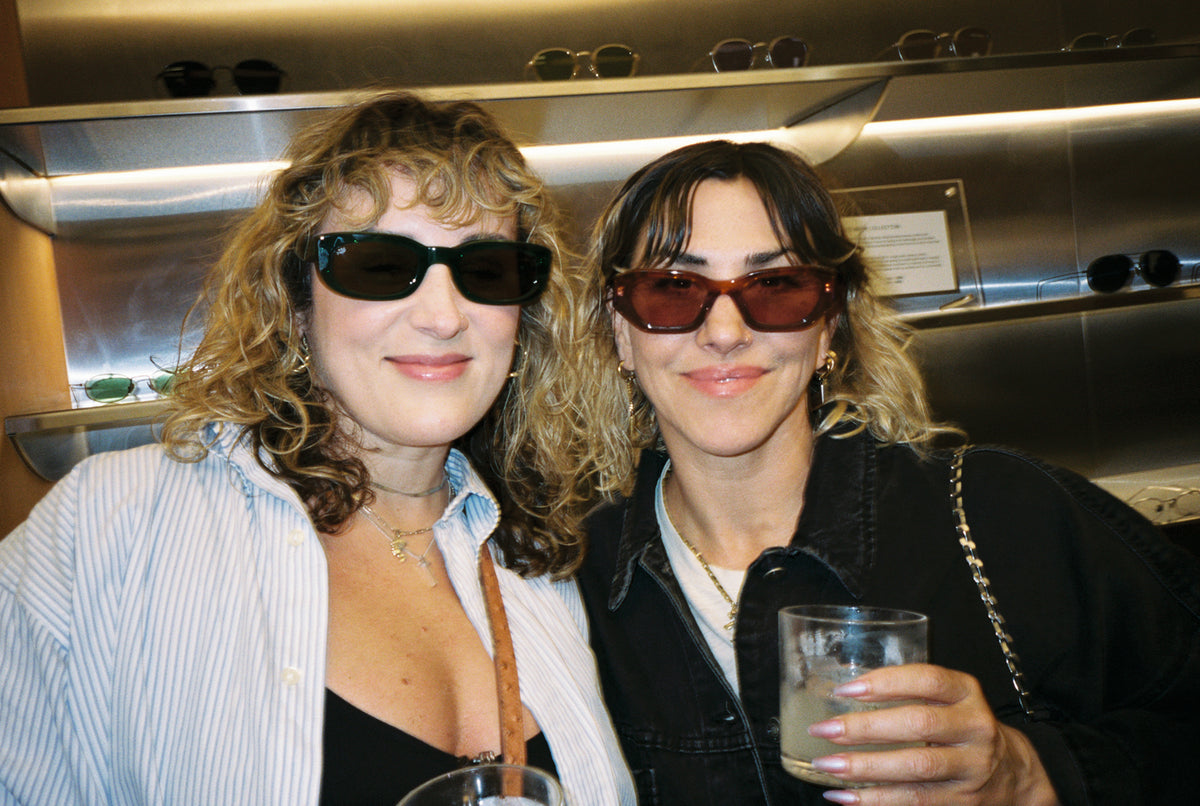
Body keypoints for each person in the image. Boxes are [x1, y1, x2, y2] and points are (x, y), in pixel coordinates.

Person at [0, 90, 635, 806]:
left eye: (486, 269)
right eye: (379, 265)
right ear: (296, 305)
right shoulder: (108, 527)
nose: (443, 316)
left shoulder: (539, 561)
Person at [571, 139, 1200, 806]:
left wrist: (1032, 773)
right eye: (673, 289)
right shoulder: (571, 582)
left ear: (829, 325)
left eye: (776, 286)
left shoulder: (1003, 516)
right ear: (620, 331)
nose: (724, 332)